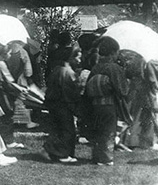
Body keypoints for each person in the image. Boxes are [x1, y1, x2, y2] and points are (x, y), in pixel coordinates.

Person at [85, 37, 129, 165]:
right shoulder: (113, 68)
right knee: (108, 131)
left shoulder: (96, 67)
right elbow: (123, 90)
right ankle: (106, 158)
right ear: (113, 53)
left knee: (98, 131)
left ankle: (96, 157)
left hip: (95, 105)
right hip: (109, 104)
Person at [42, 45, 82, 163]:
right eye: (78, 58)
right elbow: (69, 93)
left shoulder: (57, 70)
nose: (79, 61)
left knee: (57, 129)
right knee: (67, 130)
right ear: (70, 58)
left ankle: (52, 151)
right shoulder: (68, 73)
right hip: (63, 105)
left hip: (54, 104)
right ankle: (62, 154)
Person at [0, 43, 26, 149]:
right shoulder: (1, 64)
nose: (10, 54)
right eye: (9, 52)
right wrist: (19, 89)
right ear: (4, 54)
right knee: (7, 115)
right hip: (1, 93)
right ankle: (9, 141)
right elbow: (8, 81)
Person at [6, 41, 38, 129]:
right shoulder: (22, 52)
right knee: (21, 99)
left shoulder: (7, 51)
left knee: (13, 100)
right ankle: (26, 122)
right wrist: (28, 75)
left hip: (9, 78)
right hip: (20, 78)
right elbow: (28, 71)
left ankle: (17, 120)